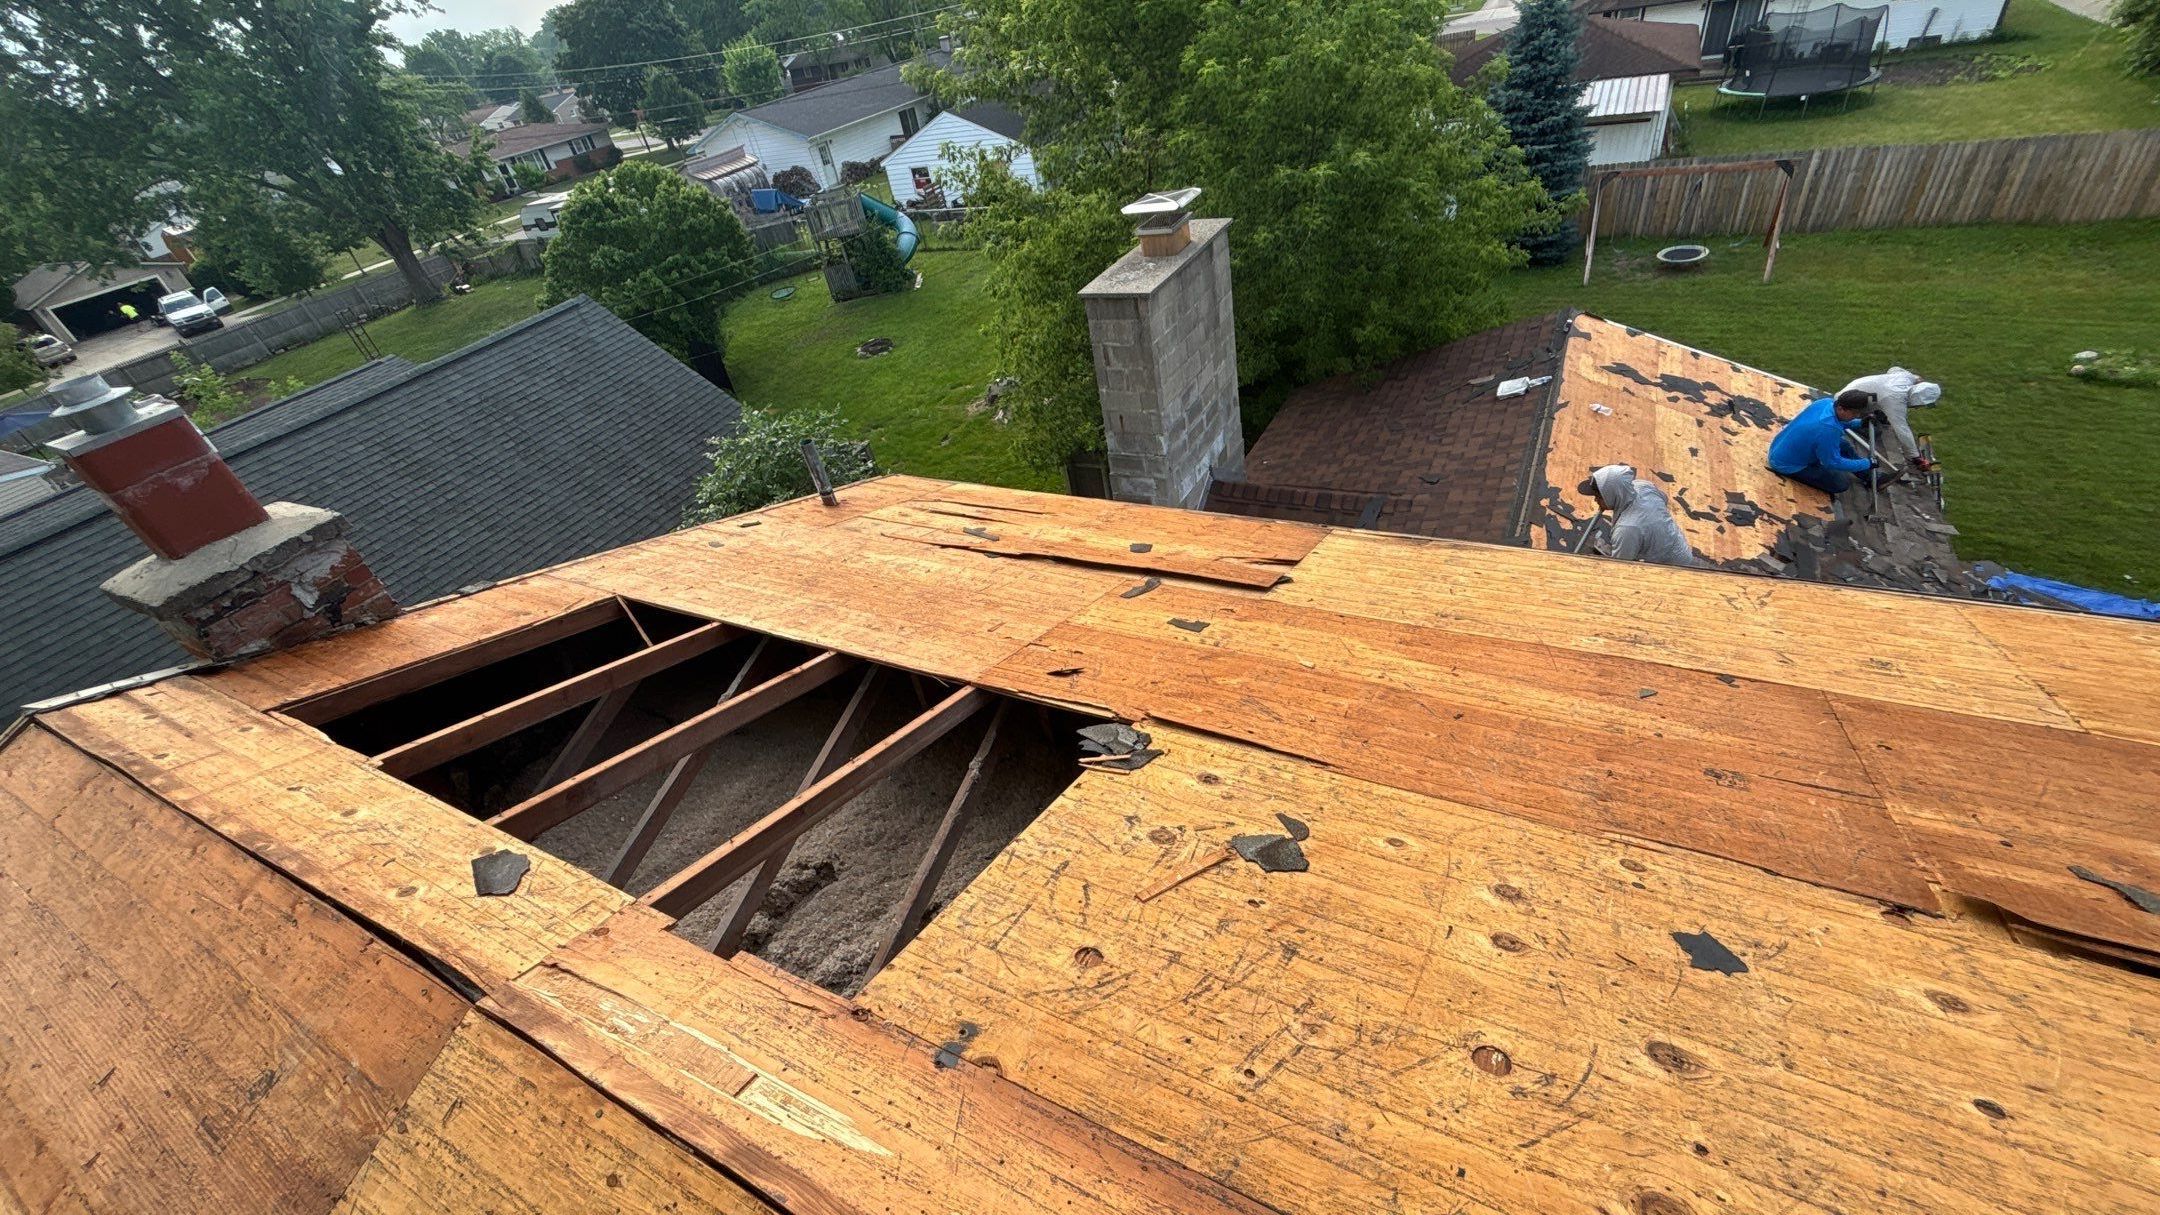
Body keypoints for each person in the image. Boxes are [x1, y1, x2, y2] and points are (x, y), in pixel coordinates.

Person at [1576, 463, 1699, 567]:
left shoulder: (1627, 529)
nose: (1595, 500)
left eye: (1599, 496)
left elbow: (1620, 568)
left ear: (1613, 495)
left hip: (1672, 568)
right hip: (1680, 548)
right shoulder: (1643, 486)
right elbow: (1664, 499)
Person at [1767, 388, 1879, 495]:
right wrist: (1867, 463)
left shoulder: (1826, 403)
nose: (1857, 416)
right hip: (1786, 464)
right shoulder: (1828, 430)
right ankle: (1866, 472)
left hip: (1779, 447)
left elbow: (1838, 421)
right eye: (1854, 414)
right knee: (1840, 484)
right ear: (1841, 408)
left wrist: (1860, 422)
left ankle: (1871, 477)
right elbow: (1833, 462)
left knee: (1843, 445)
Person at [1837, 366, 1941, 468]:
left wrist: (1918, 380)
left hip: (1859, 390)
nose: (1917, 408)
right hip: (1848, 400)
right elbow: (1902, 430)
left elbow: (1894, 369)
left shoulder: (1906, 377)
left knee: (1878, 400)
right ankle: (1859, 420)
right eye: (1918, 406)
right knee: (1875, 431)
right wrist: (1915, 457)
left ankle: (1874, 413)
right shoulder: (1895, 401)